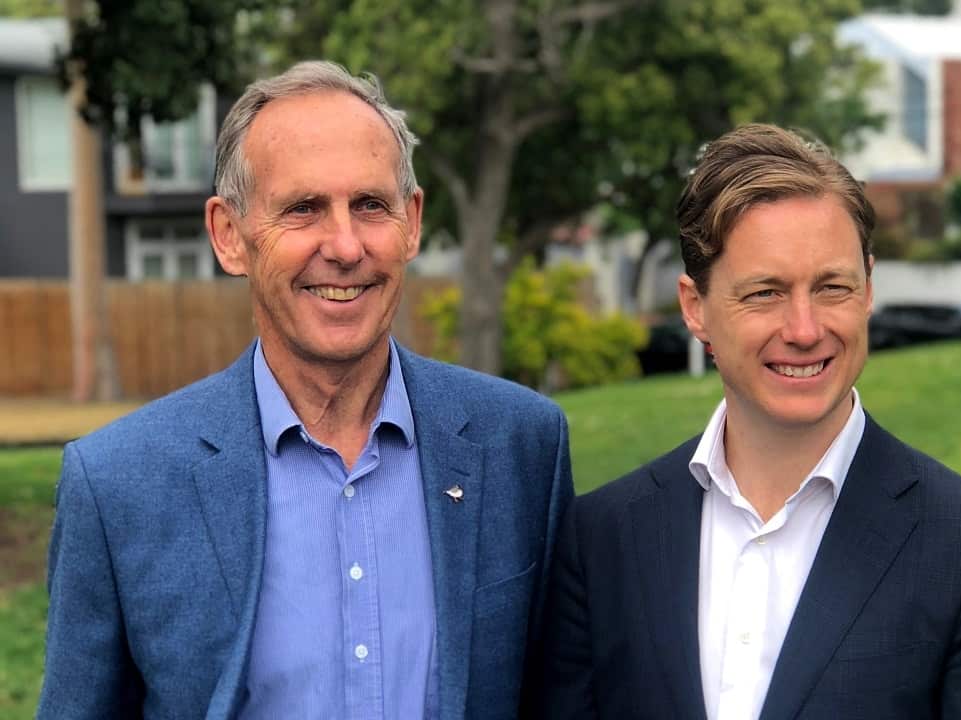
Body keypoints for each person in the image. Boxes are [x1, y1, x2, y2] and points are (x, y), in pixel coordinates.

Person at [37, 60, 572, 720]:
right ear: (229, 236)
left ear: (411, 222)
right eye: (303, 208)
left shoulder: (521, 445)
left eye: (370, 206)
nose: (344, 246)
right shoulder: (118, 483)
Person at [537, 124, 961, 719]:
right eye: (764, 293)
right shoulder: (602, 539)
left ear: (868, 290)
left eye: (832, 287)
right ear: (695, 308)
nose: (805, 329)